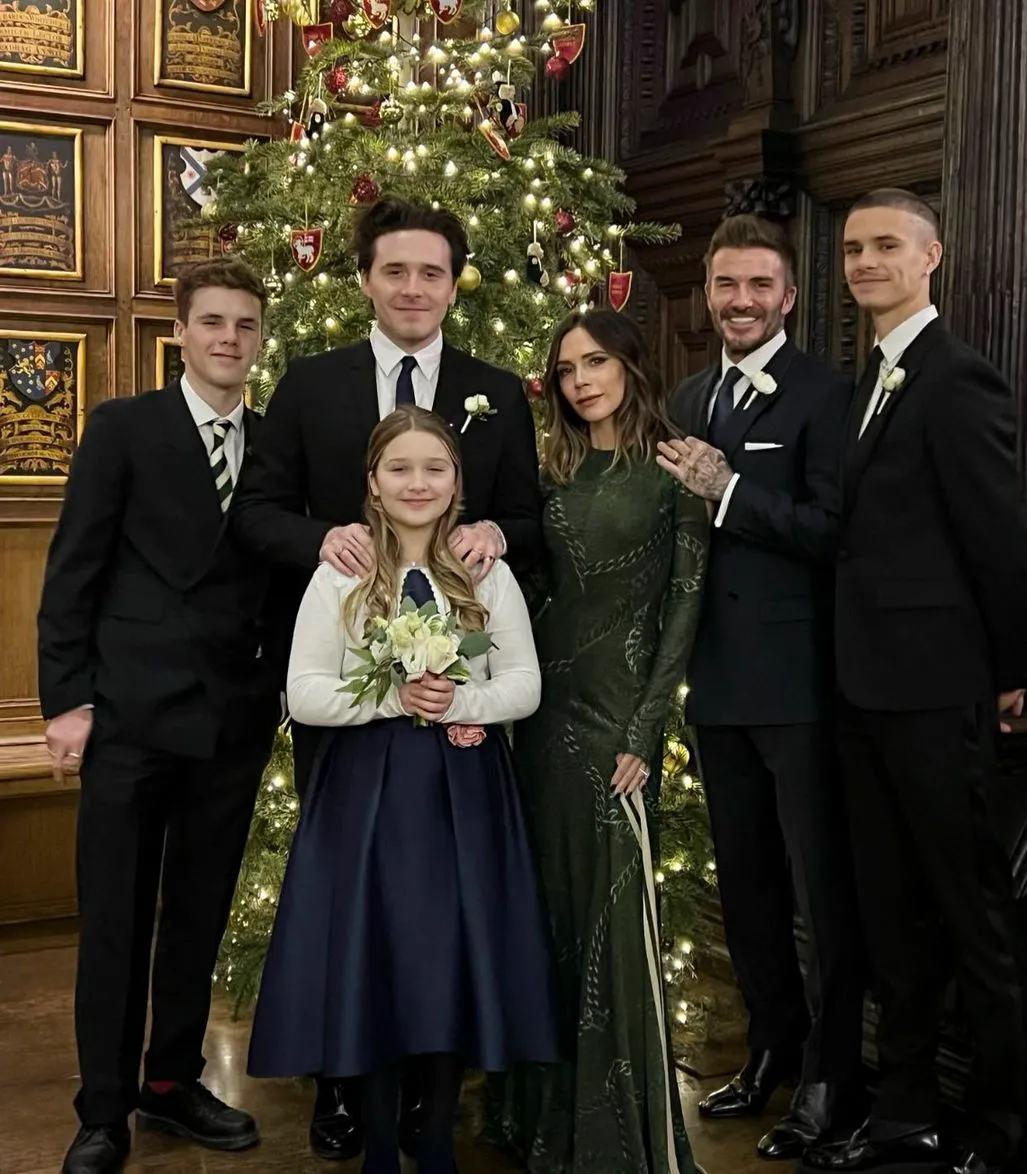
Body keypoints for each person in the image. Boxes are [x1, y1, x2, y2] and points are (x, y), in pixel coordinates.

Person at [230, 196, 543, 1158]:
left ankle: (427, 1096)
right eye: (396, 270)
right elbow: (258, 511)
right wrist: (326, 542)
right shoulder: (312, 383)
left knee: (439, 901)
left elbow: (528, 522)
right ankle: (344, 1087)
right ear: (365, 277)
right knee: (350, 894)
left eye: (433, 272)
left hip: (458, 692)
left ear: (456, 282)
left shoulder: (497, 389)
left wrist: (495, 531)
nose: (414, 287)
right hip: (351, 687)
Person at [247, 406, 558, 1174]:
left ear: (456, 482)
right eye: (400, 469)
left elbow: (523, 683)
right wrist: (391, 697)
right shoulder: (342, 573)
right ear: (374, 486)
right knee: (378, 956)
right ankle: (380, 1142)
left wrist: (461, 702)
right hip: (368, 793)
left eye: (435, 468)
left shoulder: (485, 569)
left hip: (465, 787)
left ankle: (437, 1135)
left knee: (451, 955)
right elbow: (305, 692)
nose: (418, 483)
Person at [802, 189, 1027, 1174]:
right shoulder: (871, 379)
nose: (865, 262)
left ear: (931, 256)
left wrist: (1009, 671)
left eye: (886, 245)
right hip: (864, 691)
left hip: (941, 690)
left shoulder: (955, 377)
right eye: (854, 248)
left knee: (970, 917)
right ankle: (905, 1114)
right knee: (890, 916)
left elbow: (1000, 542)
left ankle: (997, 1131)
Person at [37, 258, 283, 1174]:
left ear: (260, 338)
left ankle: (172, 1083)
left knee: (198, 915)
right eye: (212, 322)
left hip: (232, 720)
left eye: (245, 325)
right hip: (129, 719)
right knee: (115, 918)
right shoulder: (123, 428)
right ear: (179, 332)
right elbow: (73, 572)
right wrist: (66, 700)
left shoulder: (273, 444)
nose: (229, 338)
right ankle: (102, 1108)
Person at [658, 214, 865, 1160]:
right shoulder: (690, 396)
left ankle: (833, 1077)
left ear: (788, 295)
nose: (740, 301)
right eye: (725, 285)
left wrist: (730, 490)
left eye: (759, 286)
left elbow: (836, 534)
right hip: (718, 687)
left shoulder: (831, 394)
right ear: (709, 292)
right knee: (743, 886)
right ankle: (773, 1046)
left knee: (822, 892)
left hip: (804, 688)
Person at [487, 309, 708, 1173]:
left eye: (595, 363)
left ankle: (618, 1142)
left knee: (614, 924)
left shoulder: (673, 470)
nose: (581, 381)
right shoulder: (552, 471)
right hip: (541, 718)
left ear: (628, 365)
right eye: (566, 369)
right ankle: (540, 1122)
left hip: (618, 720)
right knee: (546, 912)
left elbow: (683, 609)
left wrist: (648, 728)